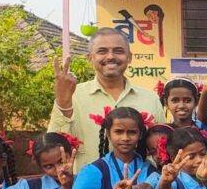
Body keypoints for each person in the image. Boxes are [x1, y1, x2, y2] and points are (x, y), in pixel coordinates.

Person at [49, 28, 165, 170]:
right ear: (90, 58)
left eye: (118, 51)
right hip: (88, 183)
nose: (110, 56)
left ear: (129, 57)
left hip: (140, 182)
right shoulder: (72, 95)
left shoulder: (150, 99)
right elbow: (53, 145)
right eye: (102, 51)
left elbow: (162, 148)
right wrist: (63, 102)